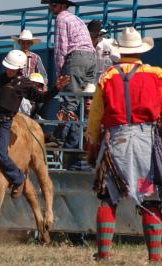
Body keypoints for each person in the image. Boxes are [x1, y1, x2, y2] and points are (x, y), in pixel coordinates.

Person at [86, 27, 162, 261]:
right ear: (141, 50)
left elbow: (96, 117)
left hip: (116, 140)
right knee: (150, 197)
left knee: (108, 196)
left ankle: (104, 254)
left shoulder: (108, 76)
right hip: (146, 141)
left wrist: (92, 144)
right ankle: (156, 257)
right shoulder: (157, 74)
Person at [0, 50, 69, 198]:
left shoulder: (24, 84)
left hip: (3, 123)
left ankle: (18, 178)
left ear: (19, 68)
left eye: (11, 67)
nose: (8, 69)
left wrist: (56, 88)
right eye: (7, 66)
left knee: (3, 156)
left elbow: (41, 97)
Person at [42, 0, 96, 117]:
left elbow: (61, 48)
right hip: (91, 56)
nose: (51, 7)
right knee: (86, 98)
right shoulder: (77, 19)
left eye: (53, 4)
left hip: (77, 57)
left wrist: (60, 74)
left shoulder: (61, 18)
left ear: (62, 5)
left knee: (68, 102)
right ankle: (82, 132)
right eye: (50, 4)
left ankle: (62, 134)